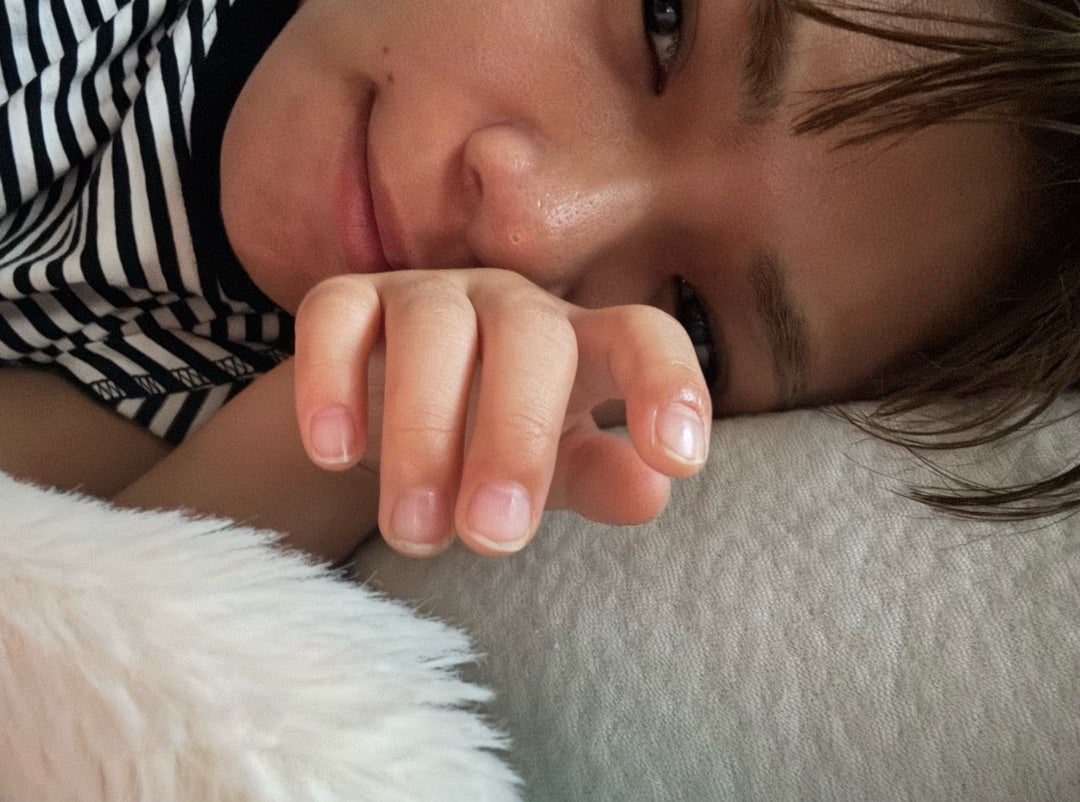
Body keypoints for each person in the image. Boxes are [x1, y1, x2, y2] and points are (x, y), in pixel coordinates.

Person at [0, 0, 1076, 562]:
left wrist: (355, 432)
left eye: (695, 323)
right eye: (663, 22)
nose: (532, 225)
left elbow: (54, 638)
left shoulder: (219, 385)